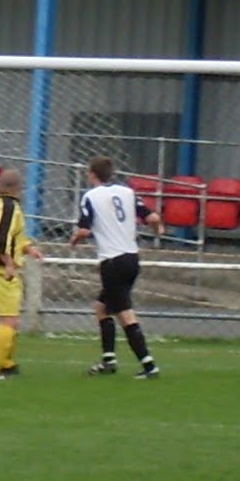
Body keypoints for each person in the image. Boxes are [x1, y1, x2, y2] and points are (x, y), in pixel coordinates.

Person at [72, 156, 164, 379]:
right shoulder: (127, 192)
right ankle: (108, 361)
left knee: (125, 314)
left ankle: (149, 365)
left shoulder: (91, 196)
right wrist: (157, 230)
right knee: (102, 308)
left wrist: (75, 240)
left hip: (112, 261)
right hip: (131, 258)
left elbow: (84, 230)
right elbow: (152, 216)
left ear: (92, 174)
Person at [0, 168, 41, 381]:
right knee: (8, 321)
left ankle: (6, 362)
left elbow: (13, 238)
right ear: (18, 188)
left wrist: (28, 247)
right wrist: (9, 263)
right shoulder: (9, 207)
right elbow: (0, 237)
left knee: (12, 320)